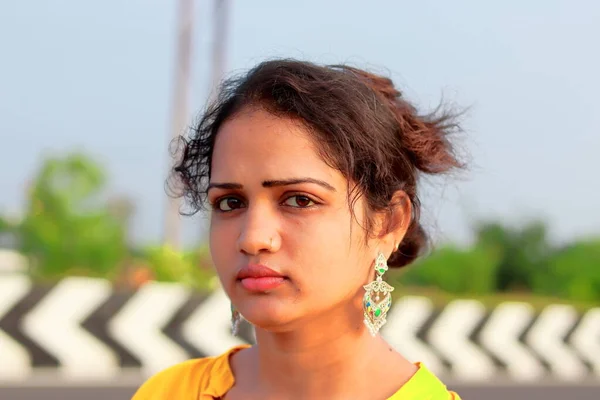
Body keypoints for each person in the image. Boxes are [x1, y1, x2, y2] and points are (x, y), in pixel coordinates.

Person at [133, 59, 463, 399]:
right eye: (230, 203)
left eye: (300, 200)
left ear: (388, 223)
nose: (252, 238)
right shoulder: (170, 392)